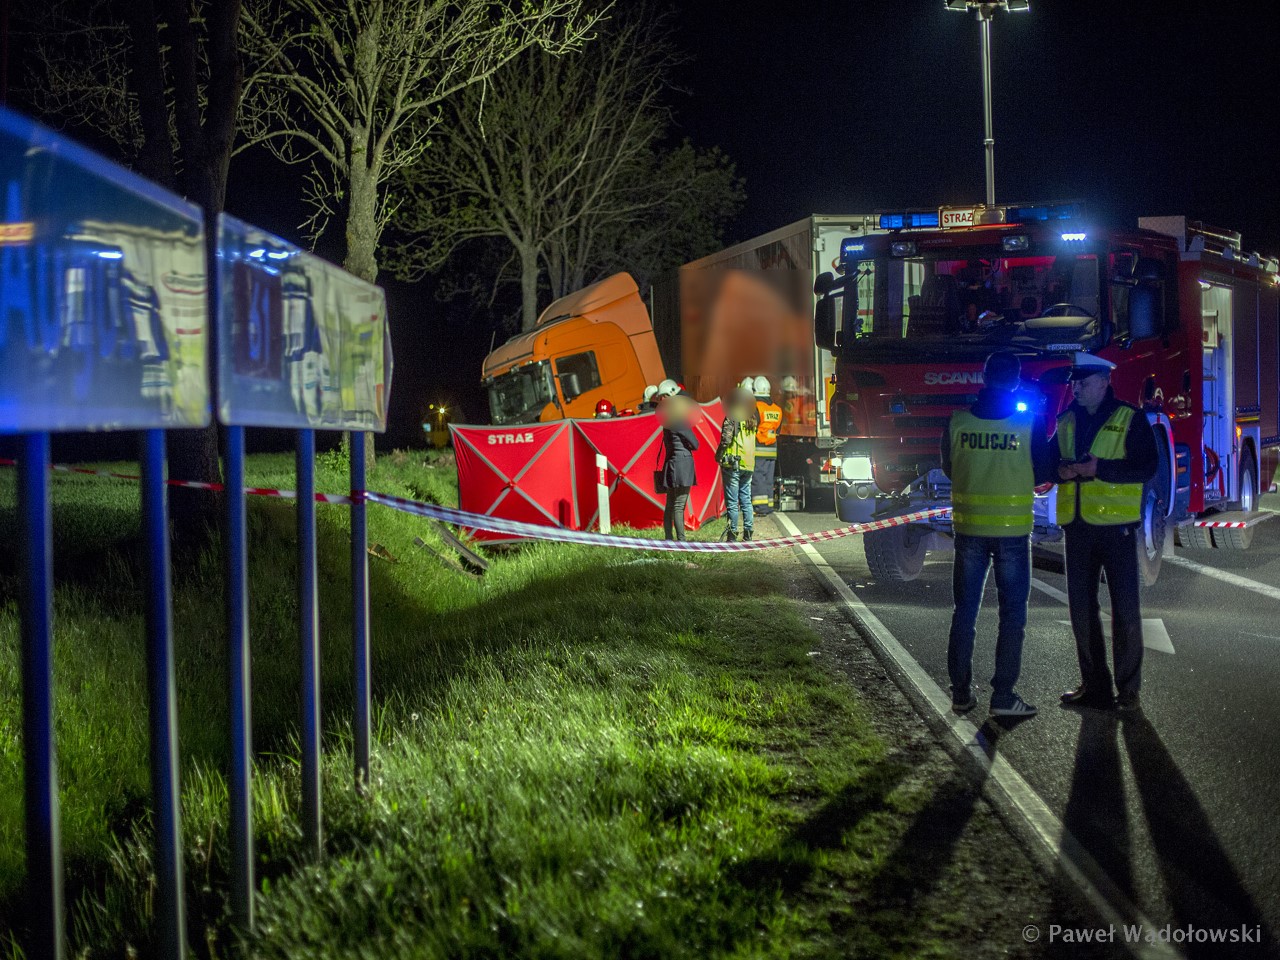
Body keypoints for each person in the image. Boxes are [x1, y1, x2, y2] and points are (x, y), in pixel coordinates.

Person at [940, 351, 1053, 718]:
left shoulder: (957, 422)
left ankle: (960, 694)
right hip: (1013, 534)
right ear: (1016, 381)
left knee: (965, 613)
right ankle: (1003, 697)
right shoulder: (1027, 424)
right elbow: (1041, 473)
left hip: (969, 530)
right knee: (1012, 616)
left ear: (984, 377)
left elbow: (948, 465)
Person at [1050, 352, 1157, 711]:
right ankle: (1094, 686)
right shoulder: (1066, 419)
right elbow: (1049, 459)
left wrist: (1100, 469)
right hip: (1078, 528)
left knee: (1125, 610)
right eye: (1073, 382)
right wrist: (1059, 470)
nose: (1075, 388)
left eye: (1082, 382)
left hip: (1117, 530)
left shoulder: (1130, 418)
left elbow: (1146, 467)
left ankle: (1128, 692)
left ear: (1102, 381)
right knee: (1082, 611)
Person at [715, 387, 758, 541]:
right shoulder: (752, 418)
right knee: (746, 499)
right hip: (748, 464)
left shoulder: (732, 417)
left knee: (732, 502)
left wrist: (718, 455)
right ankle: (748, 533)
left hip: (733, 464)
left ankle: (732, 535)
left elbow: (726, 440)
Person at [658, 392, 699, 541]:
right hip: (683, 465)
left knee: (670, 504)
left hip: (671, 465)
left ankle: (669, 537)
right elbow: (695, 444)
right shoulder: (680, 422)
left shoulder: (666, 423)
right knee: (679, 505)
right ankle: (681, 539)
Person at [752, 376, 781, 516]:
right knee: (769, 479)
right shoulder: (777, 409)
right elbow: (778, 431)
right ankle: (769, 505)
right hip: (772, 449)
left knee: (758, 478)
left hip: (758, 448)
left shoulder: (756, 407)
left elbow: (752, 427)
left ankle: (760, 508)